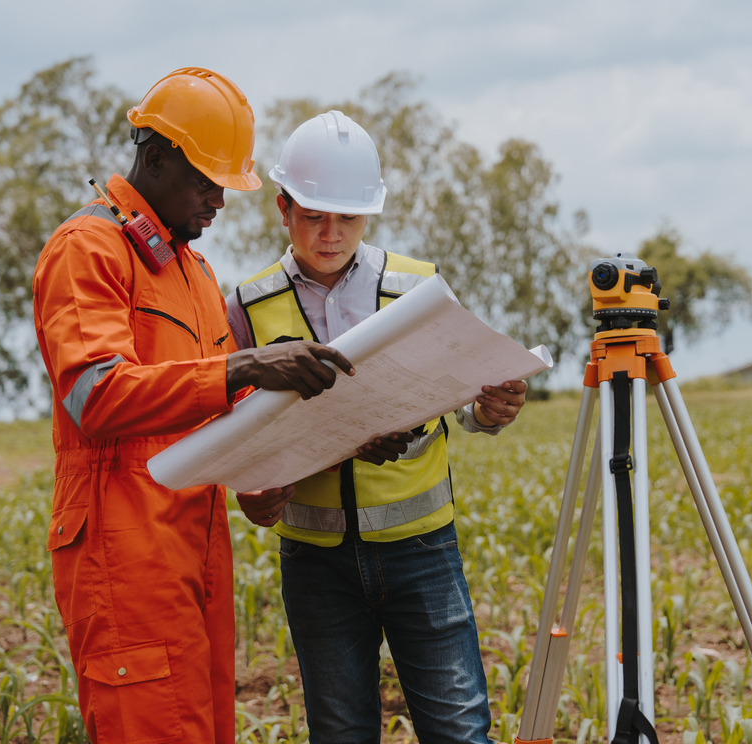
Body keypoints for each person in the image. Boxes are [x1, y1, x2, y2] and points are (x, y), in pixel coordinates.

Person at [33, 69, 355, 744]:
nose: (219, 202)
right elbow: (98, 395)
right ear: (155, 159)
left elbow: (224, 407)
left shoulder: (193, 270)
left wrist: (317, 447)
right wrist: (247, 364)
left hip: (194, 556)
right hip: (124, 560)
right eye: (208, 182)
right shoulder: (87, 248)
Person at [226, 109, 528, 744]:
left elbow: (462, 400)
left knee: (459, 731)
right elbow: (239, 435)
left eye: (349, 217)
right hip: (314, 562)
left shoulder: (420, 288)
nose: (331, 234)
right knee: (341, 733)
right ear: (283, 209)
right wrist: (251, 492)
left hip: (423, 550)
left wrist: (489, 411)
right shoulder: (247, 307)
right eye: (314, 215)